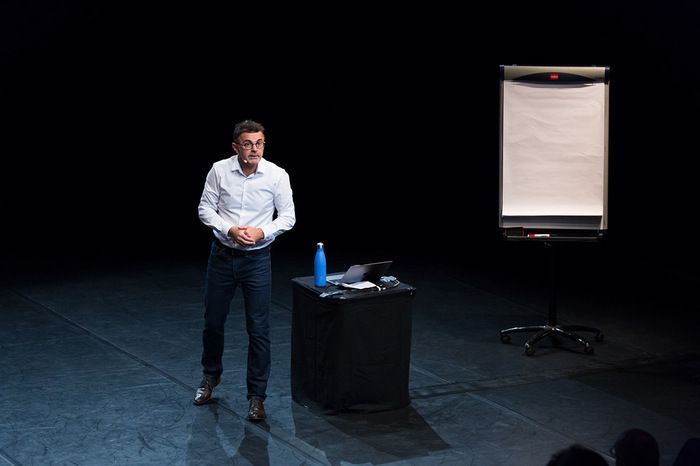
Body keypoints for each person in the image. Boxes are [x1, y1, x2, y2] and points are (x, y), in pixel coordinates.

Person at [194, 119, 296, 422]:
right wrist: (230, 229)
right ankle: (210, 376)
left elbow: (288, 217)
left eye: (260, 143)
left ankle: (256, 397)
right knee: (213, 321)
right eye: (248, 144)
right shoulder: (219, 170)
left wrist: (263, 232)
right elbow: (204, 209)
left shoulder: (276, 175)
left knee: (259, 329)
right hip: (223, 256)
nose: (254, 149)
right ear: (236, 147)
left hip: (257, 260)